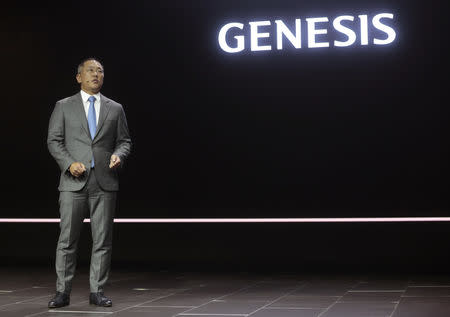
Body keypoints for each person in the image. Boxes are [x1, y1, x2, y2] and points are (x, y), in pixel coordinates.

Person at [47, 58, 132, 308]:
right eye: (91, 70)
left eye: (101, 71)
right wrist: (68, 163)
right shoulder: (63, 106)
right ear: (79, 77)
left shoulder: (115, 108)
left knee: (103, 240)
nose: (96, 74)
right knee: (67, 240)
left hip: (104, 182)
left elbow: (124, 141)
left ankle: (97, 291)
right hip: (73, 181)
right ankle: (62, 292)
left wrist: (120, 155)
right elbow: (54, 140)